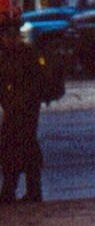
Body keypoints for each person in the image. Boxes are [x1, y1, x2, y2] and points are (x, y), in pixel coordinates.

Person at [1, 12, 49, 203]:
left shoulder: (21, 55)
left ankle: (11, 192)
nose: (8, 39)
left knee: (14, 147)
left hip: (23, 108)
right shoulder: (24, 53)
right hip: (21, 107)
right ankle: (28, 191)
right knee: (23, 147)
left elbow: (18, 82)